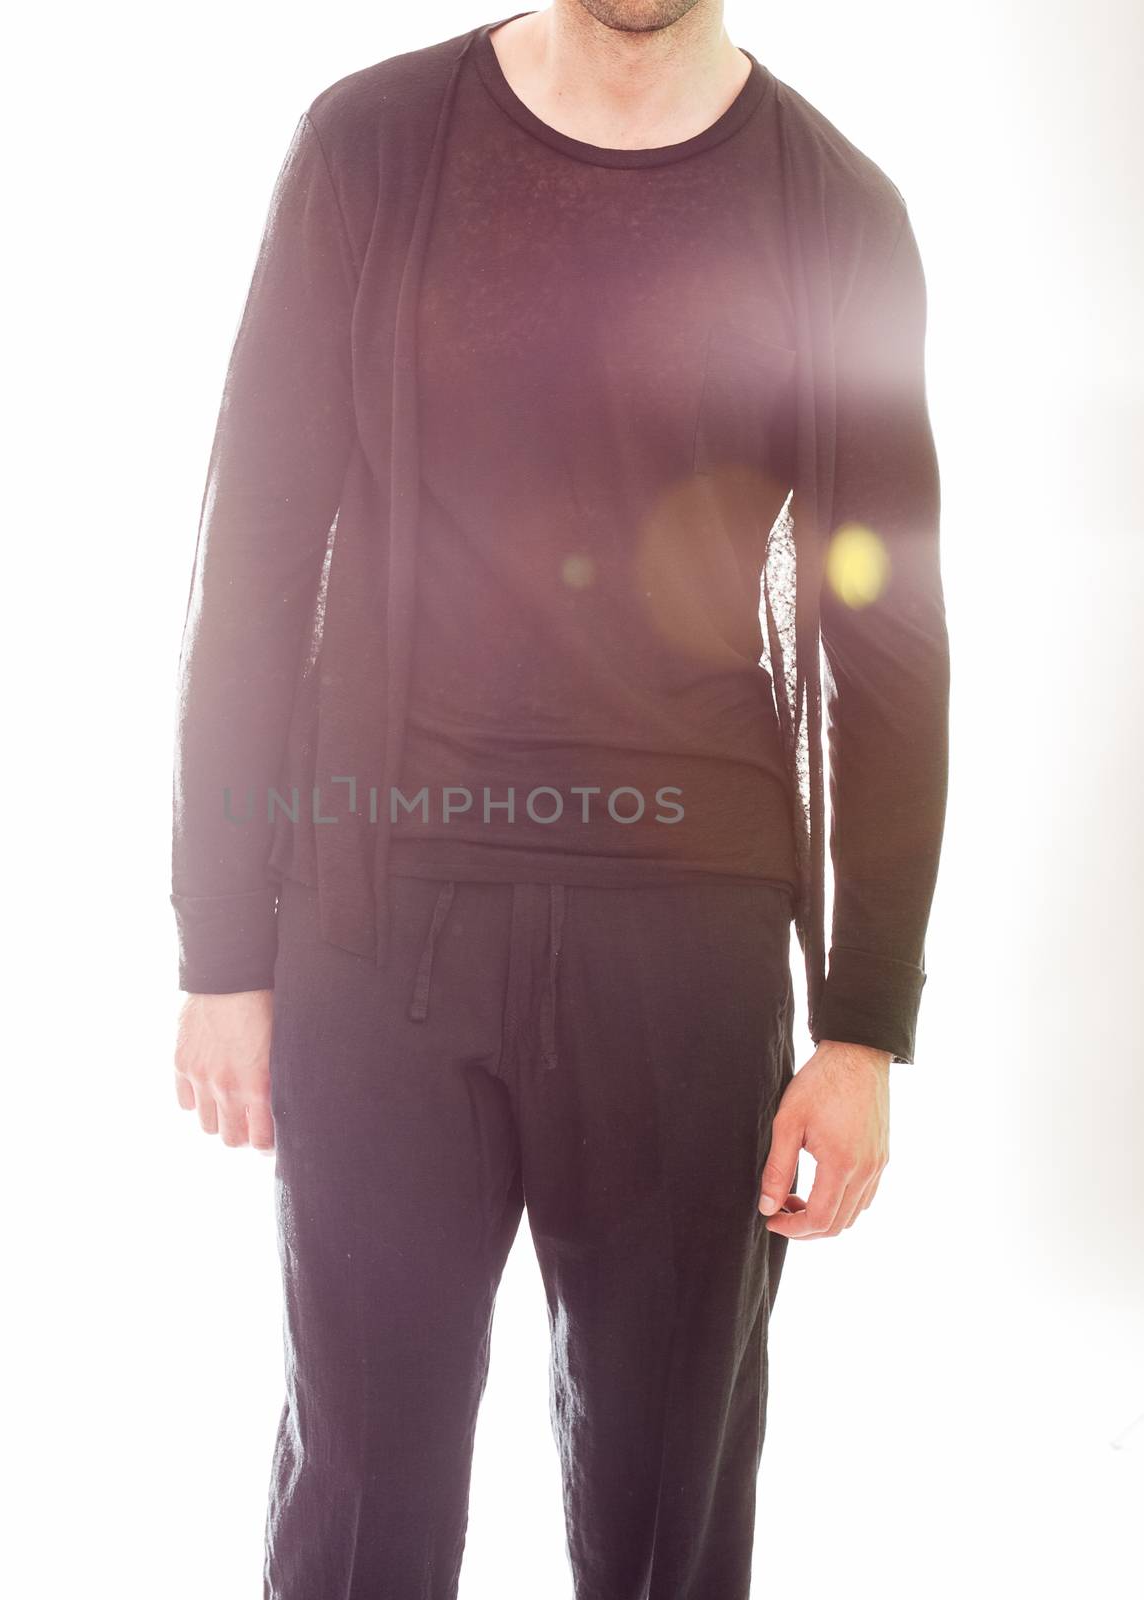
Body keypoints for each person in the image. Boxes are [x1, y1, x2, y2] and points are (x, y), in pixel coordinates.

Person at [171, 3, 949, 1595]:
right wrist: (221, 950)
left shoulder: (836, 214)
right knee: (362, 1496)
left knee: (667, 1511)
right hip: (379, 932)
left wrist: (864, 1021)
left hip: (690, 955)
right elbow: (252, 548)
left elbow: (890, 639)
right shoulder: (372, 147)